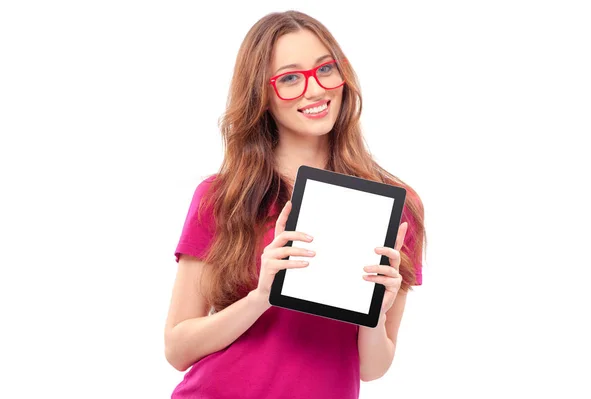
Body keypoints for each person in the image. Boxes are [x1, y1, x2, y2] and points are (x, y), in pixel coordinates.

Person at [164, 10, 426, 399]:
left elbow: (372, 369)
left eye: (326, 69)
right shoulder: (222, 196)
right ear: (262, 96)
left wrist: (376, 315)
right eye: (289, 78)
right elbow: (177, 348)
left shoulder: (397, 206)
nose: (315, 89)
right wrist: (260, 298)